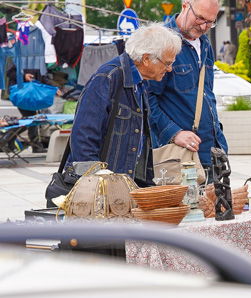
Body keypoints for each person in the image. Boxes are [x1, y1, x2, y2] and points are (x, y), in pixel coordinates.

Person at [66, 24, 182, 185]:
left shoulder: (140, 83)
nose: (169, 69)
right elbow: (83, 138)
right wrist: (96, 185)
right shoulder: (108, 78)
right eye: (167, 63)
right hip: (103, 189)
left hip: (124, 187)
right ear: (146, 59)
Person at [147, 0, 227, 177]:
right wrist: (174, 133)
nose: (203, 26)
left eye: (210, 22)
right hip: (179, 156)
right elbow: (146, 98)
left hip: (212, 151)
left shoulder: (206, 44)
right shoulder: (162, 42)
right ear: (185, 6)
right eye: (200, 18)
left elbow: (206, 94)